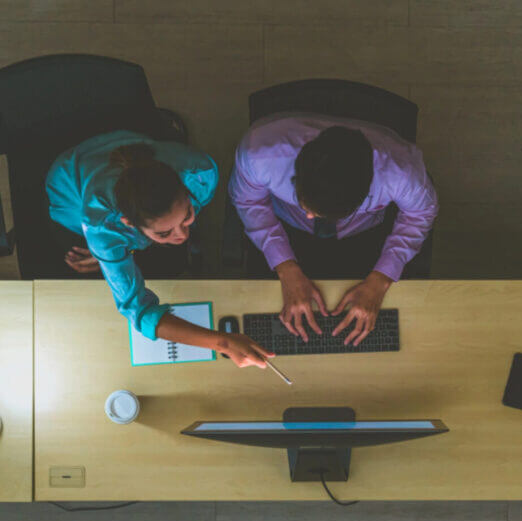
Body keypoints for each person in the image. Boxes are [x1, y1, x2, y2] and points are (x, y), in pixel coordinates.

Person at [46, 130, 274, 369]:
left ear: (186, 192)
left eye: (187, 215)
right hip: (71, 185)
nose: (183, 236)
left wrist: (120, 254)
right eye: (164, 233)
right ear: (128, 224)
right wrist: (223, 343)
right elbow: (139, 312)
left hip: (124, 153)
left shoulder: (201, 173)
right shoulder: (101, 226)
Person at [229, 113, 438, 347]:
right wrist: (285, 266)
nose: (310, 215)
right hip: (284, 226)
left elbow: (420, 213)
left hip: (363, 234)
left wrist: (381, 279)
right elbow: (250, 202)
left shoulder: (401, 172)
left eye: (316, 212)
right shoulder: (259, 153)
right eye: (305, 203)